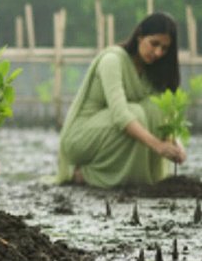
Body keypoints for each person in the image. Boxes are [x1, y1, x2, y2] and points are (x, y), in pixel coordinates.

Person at [56, 13, 186, 188]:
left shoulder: (151, 70)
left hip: (110, 131)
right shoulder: (112, 60)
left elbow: (166, 118)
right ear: (139, 35)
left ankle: (139, 178)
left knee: (157, 108)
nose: (158, 52)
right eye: (154, 43)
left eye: (164, 48)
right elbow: (120, 115)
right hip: (81, 140)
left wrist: (176, 144)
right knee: (136, 113)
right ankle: (88, 174)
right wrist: (158, 146)